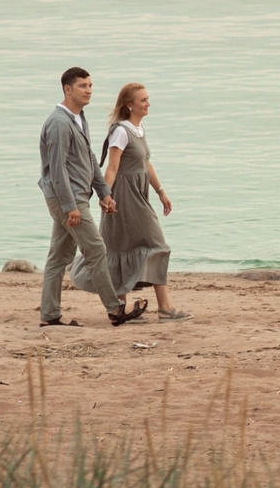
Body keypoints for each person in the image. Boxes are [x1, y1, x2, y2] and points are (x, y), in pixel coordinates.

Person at [37, 66, 143, 327]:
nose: (89, 91)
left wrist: (103, 192)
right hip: (68, 199)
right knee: (96, 249)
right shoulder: (59, 123)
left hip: (74, 197)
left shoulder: (78, 118)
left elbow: (90, 158)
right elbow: (58, 169)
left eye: (90, 86)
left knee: (58, 258)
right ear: (67, 89)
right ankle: (115, 309)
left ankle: (49, 315)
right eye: (82, 86)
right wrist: (69, 206)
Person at [99, 81, 187, 321]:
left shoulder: (138, 130)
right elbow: (112, 168)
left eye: (148, 99)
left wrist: (160, 191)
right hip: (124, 196)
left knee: (128, 245)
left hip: (139, 193)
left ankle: (121, 308)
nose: (148, 103)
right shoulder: (121, 131)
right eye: (143, 100)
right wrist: (106, 196)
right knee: (153, 244)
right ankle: (164, 307)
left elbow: (145, 164)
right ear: (129, 105)